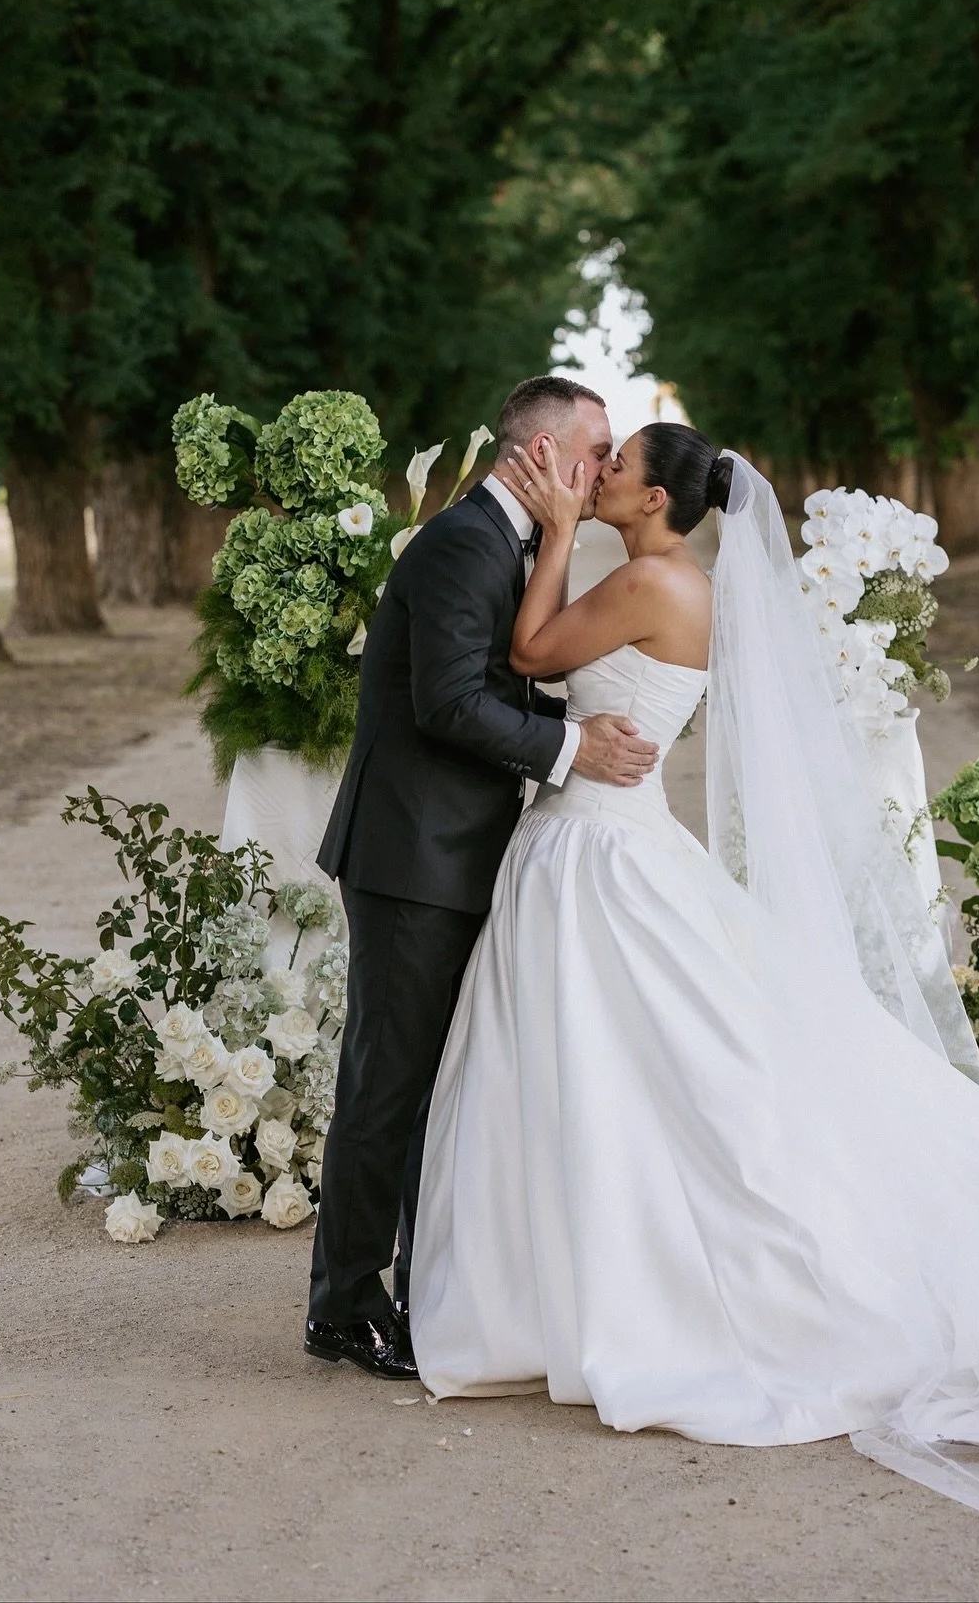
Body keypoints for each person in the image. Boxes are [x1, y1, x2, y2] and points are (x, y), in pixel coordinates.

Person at [410, 423, 979, 1592]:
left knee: (622, 1071)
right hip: (607, 843)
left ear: (658, 500)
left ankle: (611, 1288)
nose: (602, 473)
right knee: (630, 1068)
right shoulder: (667, 576)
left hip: (602, 856)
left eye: (618, 464)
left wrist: (552, 532)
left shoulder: (643, 576)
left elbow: (531, 652)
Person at [305, 376, 660, 1380]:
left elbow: (498, 671)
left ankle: (423, 1289)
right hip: (413, 856)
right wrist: (570, 746)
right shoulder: (463, 543)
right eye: (595, 451)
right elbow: (449, 702)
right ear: (542, 455)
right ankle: (343, 1306)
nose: (602, 471)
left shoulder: (499, 539)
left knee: (433, 1081)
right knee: (390, 1080)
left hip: (449, 850)